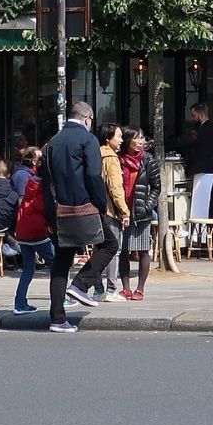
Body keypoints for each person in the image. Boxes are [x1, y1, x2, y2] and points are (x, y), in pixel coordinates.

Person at [43, 101, 107, 333]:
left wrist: (50, 216)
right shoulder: (88, 140)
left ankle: (57, 318)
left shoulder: (51, 143)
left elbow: (46, 184)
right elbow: (93, 176)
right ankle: (81, 284)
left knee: (61, 264)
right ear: (87, 118)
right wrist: (102, 204)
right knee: (110, 244)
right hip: (83, 207)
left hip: (59, 211)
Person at [80, 123, 129, 301]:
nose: (121, 140)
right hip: (110, 210)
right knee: (113, 249)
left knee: (99, 249)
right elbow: (115, 188)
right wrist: (124, 211)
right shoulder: (110, 157)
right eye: (118, 136)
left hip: (94, 209)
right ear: (108, 139)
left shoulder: (94, 155)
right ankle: (111, 288)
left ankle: (99, 288)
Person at [167, 103, 213, 242]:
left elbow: (183, 140)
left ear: (200, 114)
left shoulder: (200, 131)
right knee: (212, 208)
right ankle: (208, 239)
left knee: (201, 208)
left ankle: (200, 239)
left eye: (193, 115)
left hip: (204, 173)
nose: (192, 118)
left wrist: (162, 142)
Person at [10, 158, 53, 316]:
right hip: (36, 231)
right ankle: (60, 298)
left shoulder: (30, 183)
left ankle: (19, 303)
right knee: (55, 263)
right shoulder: (44, 187)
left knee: (28, 267)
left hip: (22, 230)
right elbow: (45, 208)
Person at [117, 128, 155, 300]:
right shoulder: (118, 159)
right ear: (127, 140)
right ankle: (126, 288)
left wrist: (147, 206)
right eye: (136, 138)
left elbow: (157, 187)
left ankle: (140, 288)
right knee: (123, 250)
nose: (140, 141)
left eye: (142, 138)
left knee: (143, 250)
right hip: (122, 210)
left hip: (141, 211)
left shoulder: (148, 160)